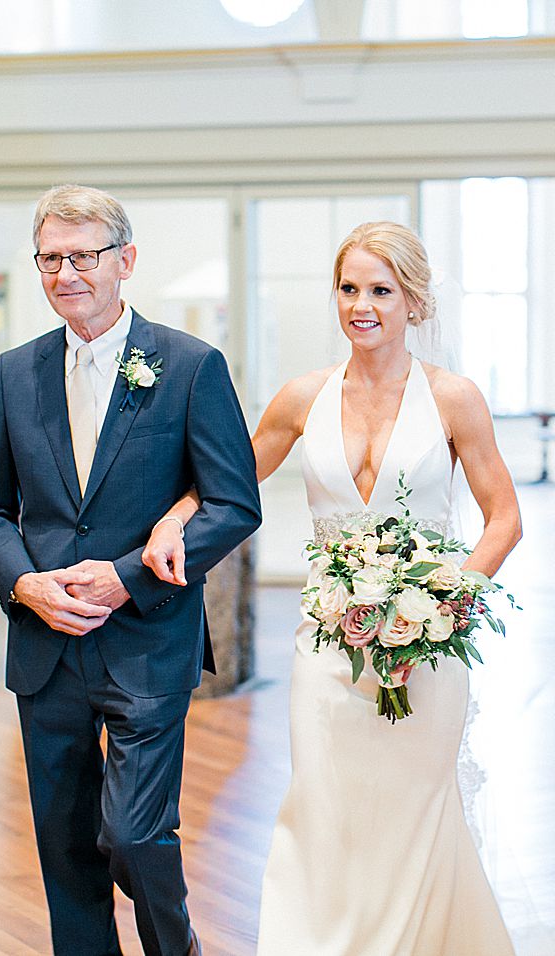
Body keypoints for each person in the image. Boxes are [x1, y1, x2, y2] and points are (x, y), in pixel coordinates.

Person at [141, 221, 522, 954]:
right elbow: (228, 483)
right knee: (323, 808)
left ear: (414, 301)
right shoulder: (302, 397)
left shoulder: (454, 399)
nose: (361, 305)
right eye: (349, 288)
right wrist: (173, 521)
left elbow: (504, 520)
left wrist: (445, 608)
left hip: (428, 650)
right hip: (327, 647)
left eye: (380, 289)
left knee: (414, 812)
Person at [0, 184, 261, 956]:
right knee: (65, 855)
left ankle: (176, 947)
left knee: (133, 835)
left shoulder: (191, 366)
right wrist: (25, 584)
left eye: (84, 255)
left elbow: (234, 504)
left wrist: (130, 574)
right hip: (46, 646)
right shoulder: (14, 372)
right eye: (50, 258)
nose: (66, 272)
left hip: (148, 642)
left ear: (125, 261)